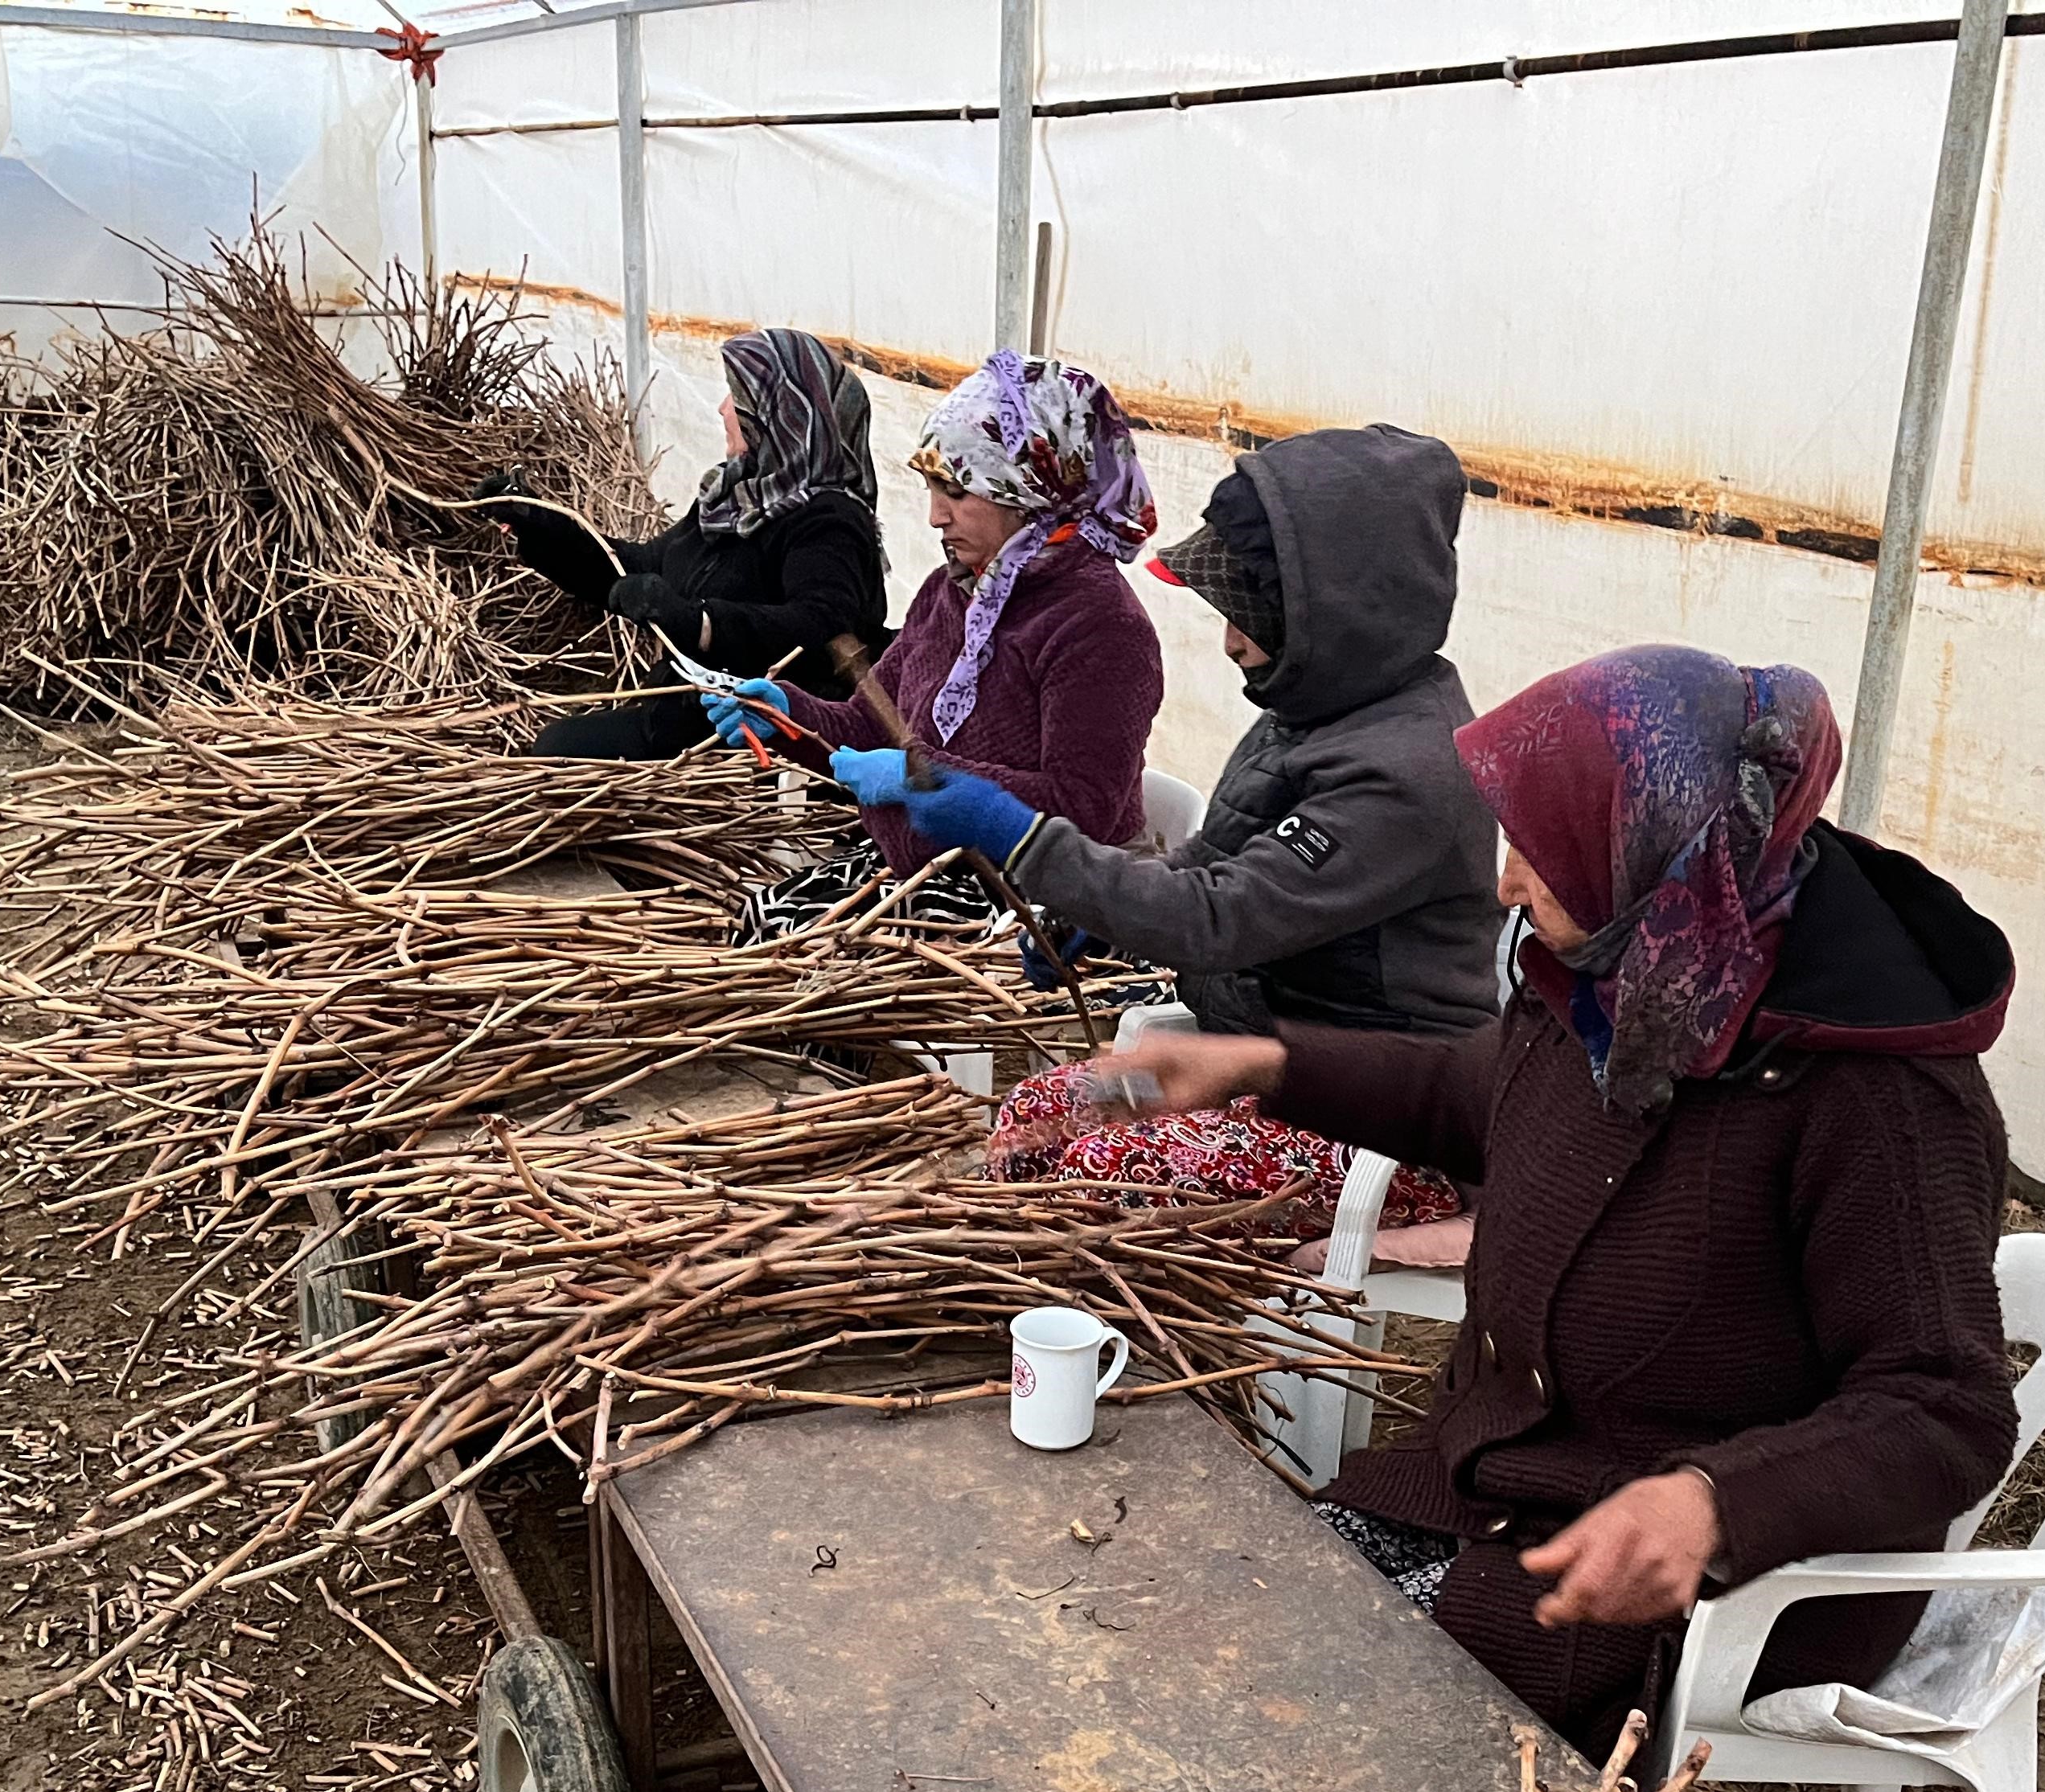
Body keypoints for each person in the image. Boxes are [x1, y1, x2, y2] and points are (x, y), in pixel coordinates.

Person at [1092, 645, 2024, 1756]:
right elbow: (1469, 1093)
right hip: (1503, 1484)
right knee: (1234, 1618)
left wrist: (1715, 1503)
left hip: (1690, 1579)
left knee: (1321, 1728)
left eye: (1540, 847)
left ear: (1646, 842)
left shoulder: (1879, 1096)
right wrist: (1262, 1065)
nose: (1505, 884)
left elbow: (1947, 1410)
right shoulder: (1631, 973)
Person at [906, 425, 1504, 1230]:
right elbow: (1208, 868)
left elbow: (1219, 919)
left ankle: (1102, 1334)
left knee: (1107, 1166)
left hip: (1375, 1120)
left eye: (1250, 614)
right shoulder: (1313, 706)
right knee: (1045, 1109)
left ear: (1338, 612)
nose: (1229, 641)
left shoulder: (1403, 775)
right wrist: (1104, 916)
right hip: (1239, 1063)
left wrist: (1017, 835)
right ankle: (1032, 1304)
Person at [702, 351, 1164, 880]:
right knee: (758, 926)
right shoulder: (951, 591)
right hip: (929, 873)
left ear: (1033, 490)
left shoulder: (1101, 627)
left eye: (957, 492)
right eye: (931, 490)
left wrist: (920, 776)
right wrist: (788, 718)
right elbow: (869, 724)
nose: (934, 516)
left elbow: (1082, 809)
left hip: (1039, 901)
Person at [480, 327, 890, 760]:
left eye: (737, 396)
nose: (722, 409)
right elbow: (641, 567)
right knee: (558, 748)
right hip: (682, 716)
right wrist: (541, 524)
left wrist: (700, 623)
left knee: (559, 751)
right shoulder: (734, 495)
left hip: (749, 739)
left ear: (779, 413)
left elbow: (820, 625)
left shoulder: (828, 519)